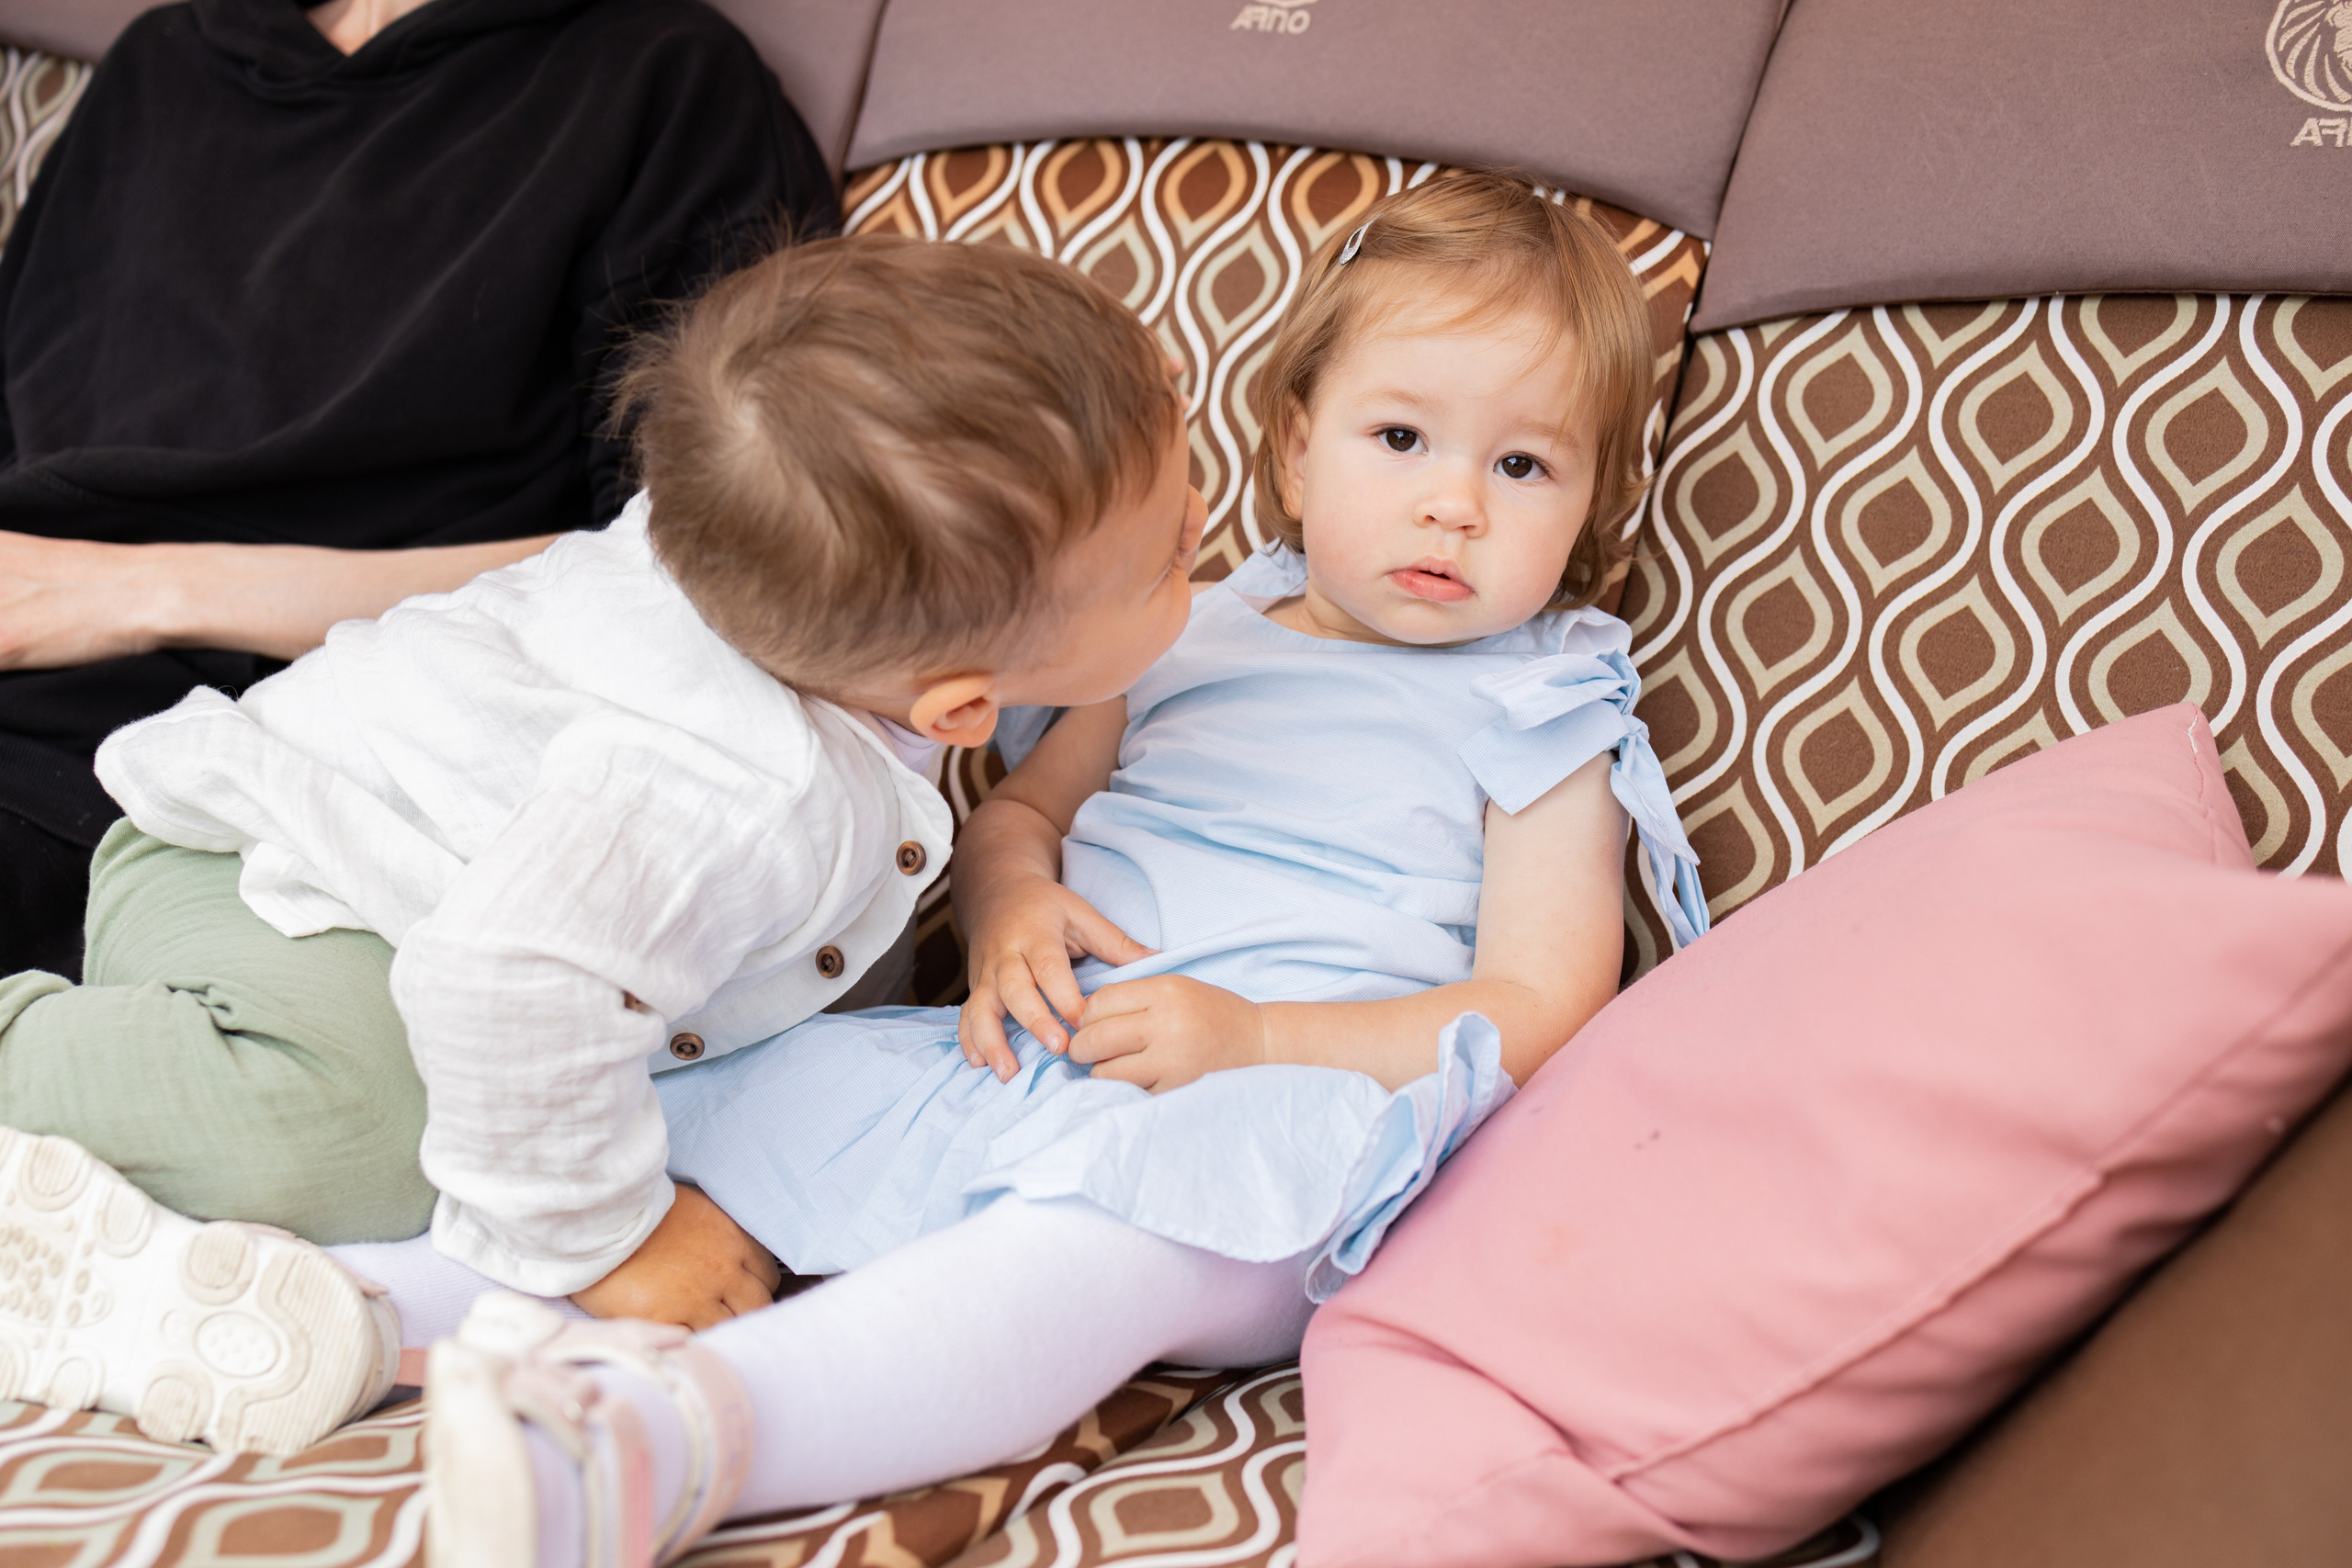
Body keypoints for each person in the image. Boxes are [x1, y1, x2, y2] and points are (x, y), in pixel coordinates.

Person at [405, 170, 1713, 1562]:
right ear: (1292, 446)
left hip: (1294, 1120)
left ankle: (683, 1437)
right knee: (720, 1123)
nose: (1453, 504)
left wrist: (1259, 1034)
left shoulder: (1545, 710)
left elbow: (1543, 998)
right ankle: (345, 1311)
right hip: (1038, 1061)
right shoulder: (1172, 627)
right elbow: (1018, 817)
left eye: (1524, 465)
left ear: (1593, 500)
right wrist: (1014, 899)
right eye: (1401, 436)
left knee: (1089, 1244)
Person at [0, 235, 1202, 1455]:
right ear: (953, 709)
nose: (1203, 528)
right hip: (274, 876)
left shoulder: (752, 545)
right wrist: (611, 1238)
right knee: (372, 1129)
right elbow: (502, 981)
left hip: (426, 876)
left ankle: (131, 1241)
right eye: (1171, 557)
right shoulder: (731, 786)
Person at [0, 0, 835, 976]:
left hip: (211, 743)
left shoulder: (664, 78)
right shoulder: (170, 55)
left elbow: (695, 566)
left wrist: (136, 594)